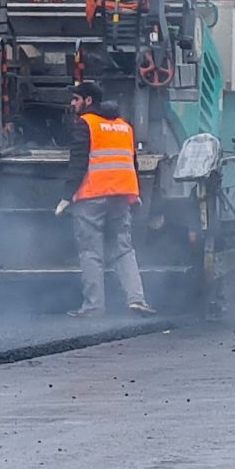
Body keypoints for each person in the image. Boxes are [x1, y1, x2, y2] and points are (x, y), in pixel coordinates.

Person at [60, 80, 152, 318]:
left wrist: (66, 196)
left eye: (76, 99)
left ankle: (93, 307)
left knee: (91, 252)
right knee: (124, 250)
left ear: (88, 101)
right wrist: (135, 194)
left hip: (92, 197)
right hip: (121, 196)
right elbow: (131, 164)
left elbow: (78, 163)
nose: (72, 103)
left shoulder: (86, 124)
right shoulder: (124, 126)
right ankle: (137, 300)